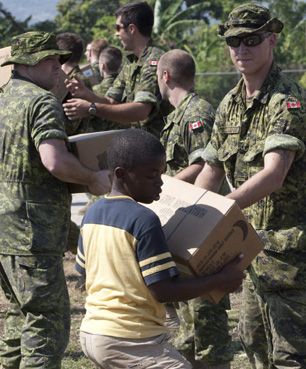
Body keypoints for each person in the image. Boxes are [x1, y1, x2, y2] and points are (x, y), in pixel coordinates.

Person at [76, 128, 245, 369]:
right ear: (121, 174)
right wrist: (220, 279)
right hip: (131, 340)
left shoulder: (93, 212)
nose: (160, 183)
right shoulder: (143, 219)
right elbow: (163, 290)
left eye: (162, 174)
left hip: (92, 332)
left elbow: (83, 272)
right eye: (151, 175)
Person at [195, 3, 306, 369]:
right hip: (252, 250)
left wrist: (222, 208)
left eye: (251, 40)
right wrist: (190, 211)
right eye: (234, 41)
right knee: (255, 345)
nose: (241, 49)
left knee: (291, 356)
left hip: (292, 258)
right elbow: (211, 168)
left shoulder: (287, 101)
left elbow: (274, 174)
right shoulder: (229, 103)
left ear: (271, 40)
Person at [0, 31, 110, 369]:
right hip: (33, 233)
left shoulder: (4, 98)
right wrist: (93, 178)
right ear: (30, 62)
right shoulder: (41, 102)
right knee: (47, 325)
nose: (58, 67)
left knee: (20, 319)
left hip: (5, 231)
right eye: (51, 60)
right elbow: (55, 161)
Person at [157, 49, 232, 369]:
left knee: (206, 319)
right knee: (189, 321)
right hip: (183, 217)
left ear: (166, 76)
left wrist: (163, 187)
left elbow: (203, 163)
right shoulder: (177, 115)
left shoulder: (197, 111)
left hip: (200, 219)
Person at [63, 1, 170, 138]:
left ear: (131, 29)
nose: (116, 34)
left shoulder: (153, 61)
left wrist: (91, 108)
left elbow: (141, 110)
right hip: (142, 145)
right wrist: (86, 94)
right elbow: (111, 101)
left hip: (158, 148)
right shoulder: (131, 63)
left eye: (118, 28)